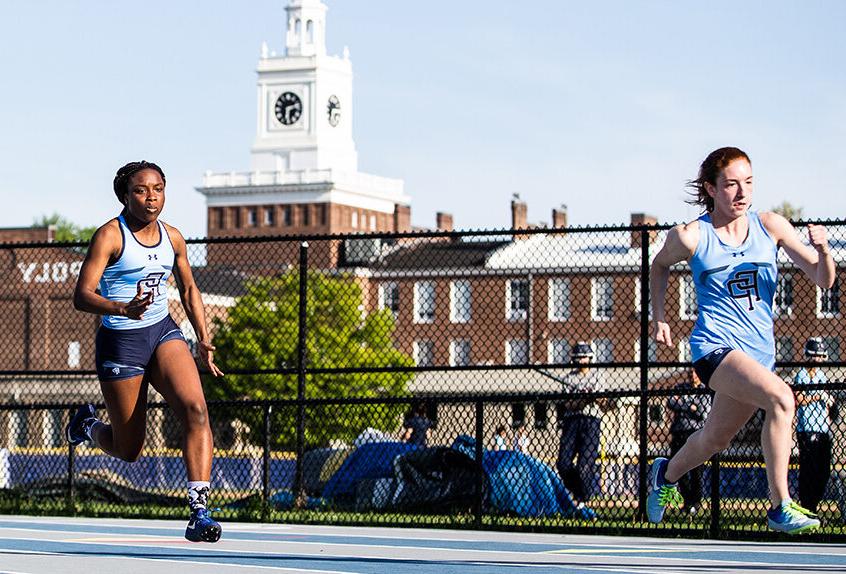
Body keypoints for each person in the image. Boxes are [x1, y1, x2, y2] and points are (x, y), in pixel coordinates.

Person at [648, 147, 834, 534]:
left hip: (757, 356)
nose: (742, 192)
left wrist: (824, 250)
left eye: (748, 183)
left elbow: (822, 279)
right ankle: (780, 505)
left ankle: (665, 475)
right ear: (711, 189)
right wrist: (661, 316)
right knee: (782, 398)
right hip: (714, 348)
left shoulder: (771, 226)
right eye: (731, 184)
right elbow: (660, 264)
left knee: (715, 438)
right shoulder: (692, 236)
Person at [68, 161, 225, 543]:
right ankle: (86, 426)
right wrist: (123, 308)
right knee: (129, 449)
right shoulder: (109, 236)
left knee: (196, 410)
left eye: (158, 188)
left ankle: (199, 513)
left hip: (162, 331)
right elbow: (81, 296)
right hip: (122, 340)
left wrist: (203, 338)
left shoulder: (172, 237)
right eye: (141, 190)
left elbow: (188, 289)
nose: (151, 196)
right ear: (125, 195)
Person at [556, 341, 607, 518]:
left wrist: (594, 397)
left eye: (584, 358)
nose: (581, 361)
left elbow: (604, 403)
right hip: (572, 422)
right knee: (563, 463)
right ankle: (577, 492)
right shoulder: (569, 378)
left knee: (585, 464)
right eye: (578, 358)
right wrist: (582, 399)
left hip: (591, 421)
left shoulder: (598, 376)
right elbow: (569, 405)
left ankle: (582, 499)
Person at [794, 337, 833, 514]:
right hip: (807, 427)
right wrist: (817, 397)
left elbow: (825, 403)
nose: (818, 360)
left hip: (822, 428)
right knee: (809, 470)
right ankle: (807, 506)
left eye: (820, 356)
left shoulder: (822, 375)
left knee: (823, 470)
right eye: (815, 356)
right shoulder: (802, 374)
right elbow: (799, 399)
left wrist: (828, 406)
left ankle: (814, 505)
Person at [666, 369, 712, 516]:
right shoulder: (681, 388)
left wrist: (683, 403)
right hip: (679, 432)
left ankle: (695, 502)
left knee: (696, 470)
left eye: (696, 373)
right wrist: (690, 406)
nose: (693, 375)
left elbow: (702, 413)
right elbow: (671, 402)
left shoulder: (705, 390)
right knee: (678, 467)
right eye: (690, 373)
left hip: (696, 433)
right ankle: (687, 501)